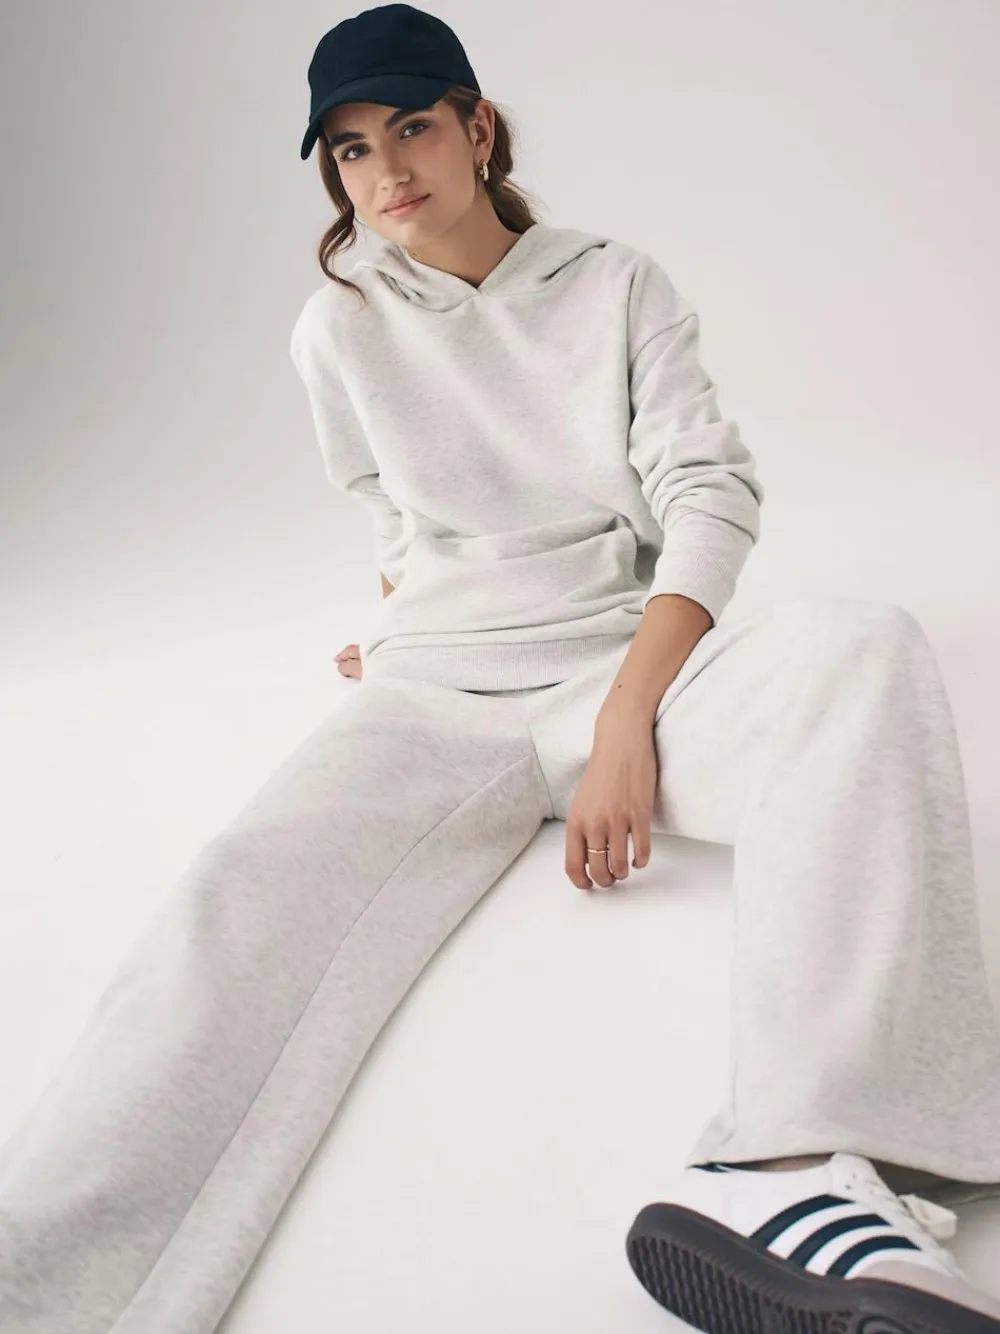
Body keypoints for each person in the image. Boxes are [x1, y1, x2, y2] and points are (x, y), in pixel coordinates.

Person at [1, 5, 999, 1332]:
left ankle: (795, 1168)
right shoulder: (337, 329)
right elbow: (392, 511)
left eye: (411, 127)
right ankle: (42, 1289)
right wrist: (405, 615)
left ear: (478, 128)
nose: (385, 170)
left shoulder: (615, 283)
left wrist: (631, 716)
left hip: (622, 668)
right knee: (224, 917)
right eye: (351, 150)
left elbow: (709, 492)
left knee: (858, 649)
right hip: (430, 697)